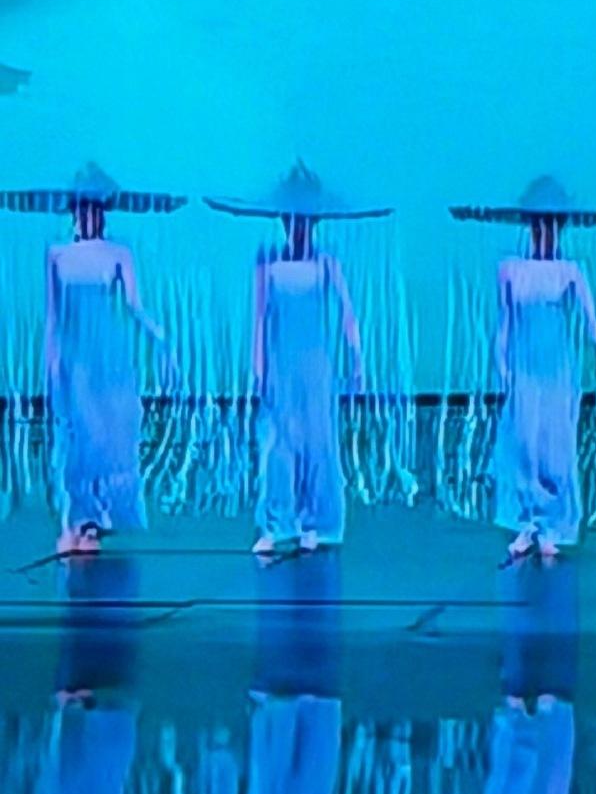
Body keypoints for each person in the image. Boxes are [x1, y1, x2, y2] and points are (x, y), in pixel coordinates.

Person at [450, 178, 596, 562]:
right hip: (525, 368)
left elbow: (592, 325)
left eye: (552, 224)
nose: (545, 232)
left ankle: (551, 525)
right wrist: (502, 368)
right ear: (530, 227)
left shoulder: (570, 271)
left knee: (554, 446)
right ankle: (527, 522)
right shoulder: (510, 269)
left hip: (557, 370)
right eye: (539, 224)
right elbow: (504, 324)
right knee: (524, 446)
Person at [1, 166, 181, 556]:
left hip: (109, 353)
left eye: (94, 210)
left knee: (109, 433)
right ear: (73, 213)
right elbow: (53, 315)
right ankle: (76, 519)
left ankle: (97, 519)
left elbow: (133, 304)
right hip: (75, 353)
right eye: (82, 210)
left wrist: (158, 334)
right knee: (78, 433)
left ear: (102, 213)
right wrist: (51, 359)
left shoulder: (118, 253)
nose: (88, 217)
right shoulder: (57, 255)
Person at [207, 164, 381, 557]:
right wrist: (257, 367)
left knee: (316, 441)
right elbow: (260, 318)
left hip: (315, 364)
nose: (297, 226)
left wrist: (357, 361)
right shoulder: (267, 262)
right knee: (278, 442)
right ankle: (274, 523)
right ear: (284, 221)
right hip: (280, 363)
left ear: (313, 222)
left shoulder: (326, 263)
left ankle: (312, 521)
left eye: (304, 219)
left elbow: (348, 314)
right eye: (291, 219)